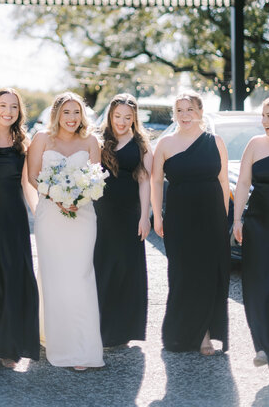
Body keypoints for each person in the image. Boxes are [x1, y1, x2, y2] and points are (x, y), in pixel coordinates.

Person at [27, 92, 104, 371]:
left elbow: (96, 177)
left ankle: (84, 347)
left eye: (76, 112)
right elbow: (32, 176)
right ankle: (56, 341)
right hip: (51, 215)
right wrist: (56, 195)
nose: (72, 118)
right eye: (66, 112)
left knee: (81, 276)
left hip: (82, 216)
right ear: (57, 114)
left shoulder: (91, 141)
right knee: (54, 277)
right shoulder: (41, 139)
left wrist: (79, 197)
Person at [151, 91, 230, 355]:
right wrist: (157, 215)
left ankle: (205, 334)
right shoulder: (165, 144)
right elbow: (155, 182)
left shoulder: (215, 141)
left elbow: (222, 180)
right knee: (183, 274)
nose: (185, 115)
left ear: (199, 112)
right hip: (179, 216)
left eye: (190, 110)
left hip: (211, 216)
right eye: (180, 110)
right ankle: (180, 332)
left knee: (208, 275)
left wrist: (225, 216)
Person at [0, 89, 39, 368]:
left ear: (19, 111)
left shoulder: (22, 141)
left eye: (13, 107)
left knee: (14, 278)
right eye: (2, 105)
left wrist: (38, 212)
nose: (8, 111)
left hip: (14, 219)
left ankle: (9, 347)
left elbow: (27, 182)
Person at [94, 93, 152, 347]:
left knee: (127, 269)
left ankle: (123, 331)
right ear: (110, 115)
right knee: (101, 267)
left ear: (134, 118)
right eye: (118, 116)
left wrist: (145, 216)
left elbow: (145, 180)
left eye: (128, 117)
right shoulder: (97, 140)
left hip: (129, 214)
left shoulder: (141, 144)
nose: (122, 121)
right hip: (100, 213)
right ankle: (99, 328)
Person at [233, 94, 269, 369]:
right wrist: (237, 220)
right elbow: (243, 183)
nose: (263, 121)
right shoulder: (255, 145)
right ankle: (263, 347)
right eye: (262, 115)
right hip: (258, 223)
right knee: (257, 284)